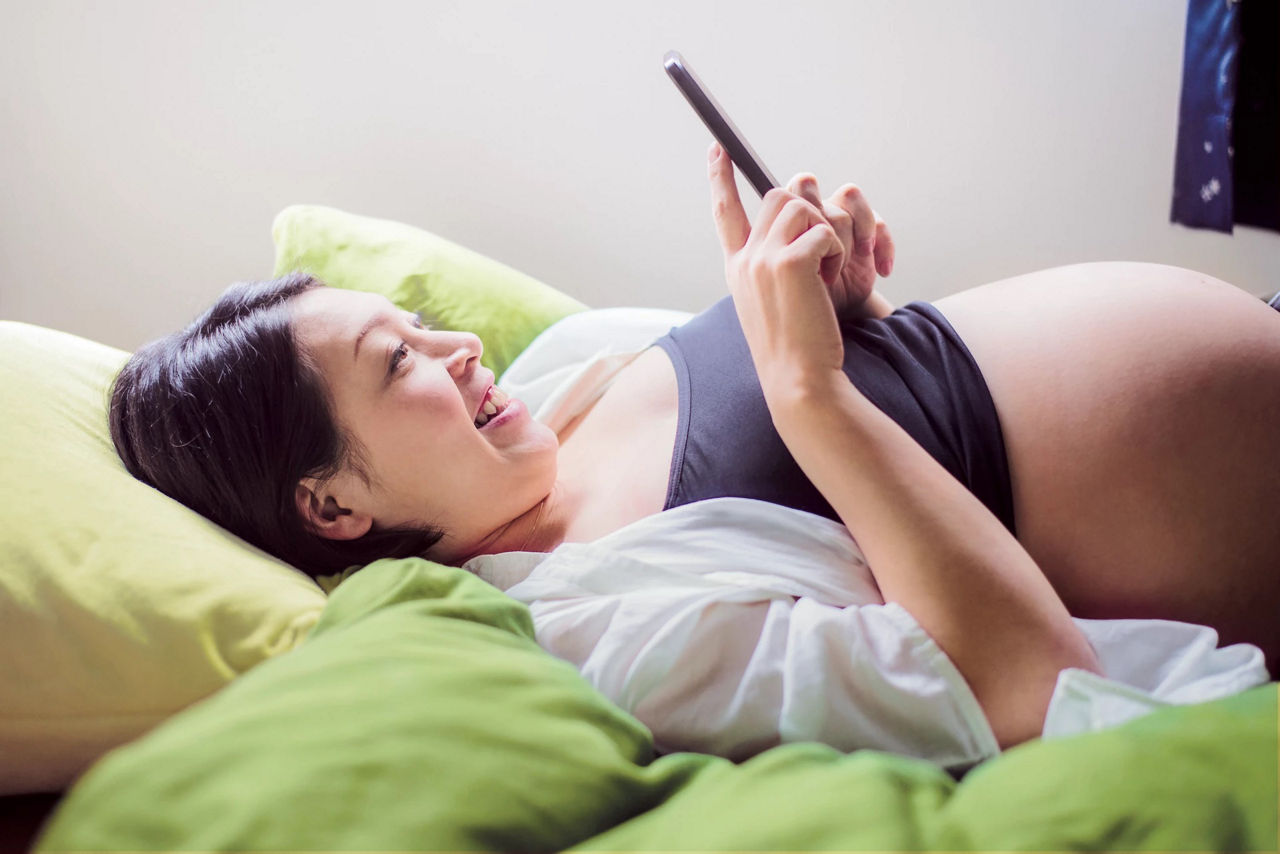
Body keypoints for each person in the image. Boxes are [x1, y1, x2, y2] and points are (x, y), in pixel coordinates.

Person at [109, 142, 1280, 761]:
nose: (459, 343)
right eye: (398, 362)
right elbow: (1024, 685)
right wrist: (809, 392)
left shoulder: (565, 366)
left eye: (418, 325)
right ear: (332, 508)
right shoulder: (605, 630)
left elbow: (898, 413)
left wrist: (849, 309)